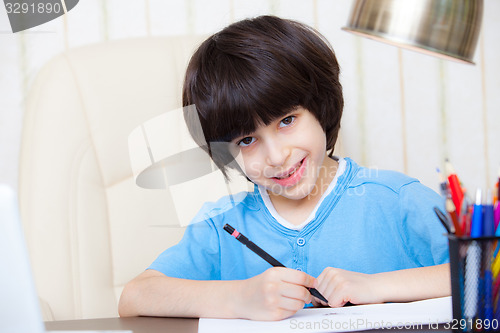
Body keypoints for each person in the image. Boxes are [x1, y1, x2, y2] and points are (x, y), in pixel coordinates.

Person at [118, 15, 450, 321]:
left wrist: (377, 287)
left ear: (320, 106)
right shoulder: (221, 226)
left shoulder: (395, 200)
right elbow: (134, 298)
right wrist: (239, 297)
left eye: (287, 120)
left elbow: (487, 270)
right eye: (247, 140)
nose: (276, 156)